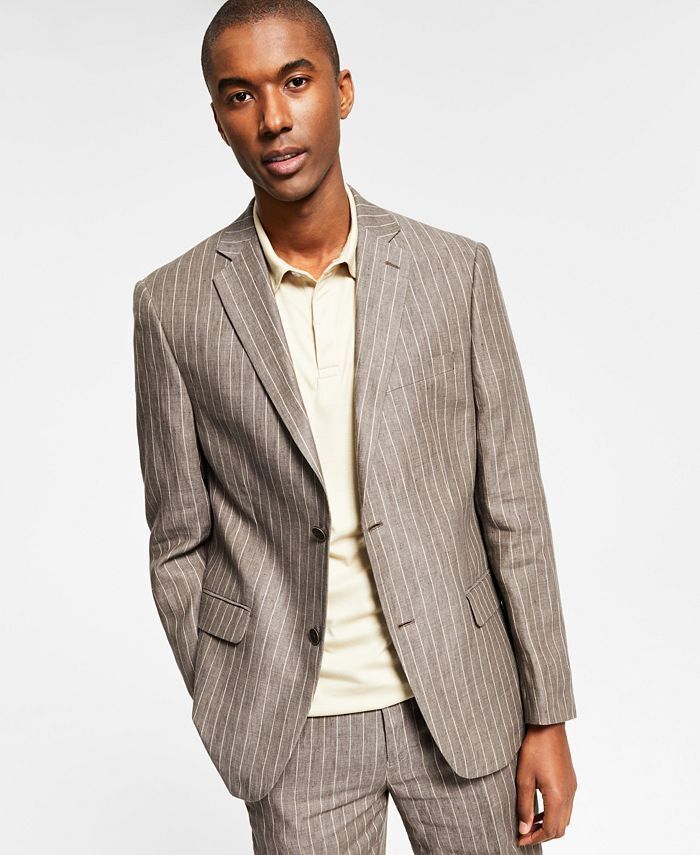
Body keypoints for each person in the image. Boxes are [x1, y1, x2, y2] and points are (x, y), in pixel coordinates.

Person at [132, 1, 578, 851]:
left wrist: (546, 712)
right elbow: (177, 537)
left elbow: (513, 507)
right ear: (219, 117)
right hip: (293, 731)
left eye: (295, 82)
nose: (272, 118)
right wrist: (230, 687)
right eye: (240, 95)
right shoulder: (173, 304)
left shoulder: (454, 273)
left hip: (462, 700)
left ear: (341, 91)